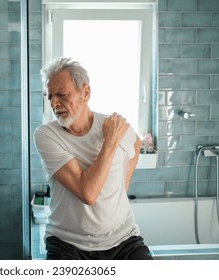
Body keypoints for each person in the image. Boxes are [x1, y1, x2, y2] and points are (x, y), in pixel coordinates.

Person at [34, 57, 153, 260]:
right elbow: (87, 193)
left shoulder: (111, 125)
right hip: (67, 245)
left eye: (61, 95)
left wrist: (121, 187)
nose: (54, 103)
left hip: (124, 241)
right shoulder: (46, 135)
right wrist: (109, 143)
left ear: (86, 93)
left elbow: (135, 144)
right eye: (50, 96)